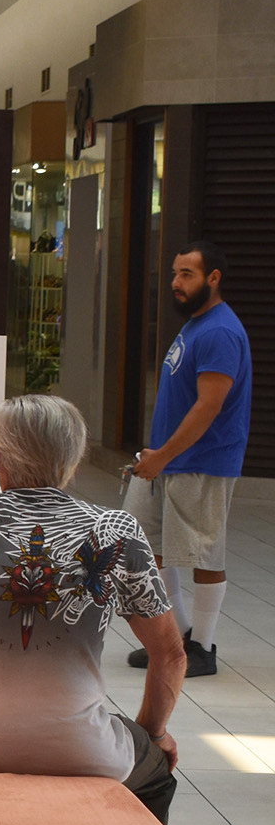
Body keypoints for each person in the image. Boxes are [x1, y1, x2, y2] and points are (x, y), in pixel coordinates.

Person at [0, 395, 185, 821]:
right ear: (72, 462)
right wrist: (152, 734)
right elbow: (170, 654)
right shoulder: (118, 530)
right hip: (86, 751)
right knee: (158, 773)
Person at [124, 239, 252, 679]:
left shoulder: (218, 331)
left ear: (213, 279)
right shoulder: (196, 324)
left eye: (187, 275)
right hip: (168, 460)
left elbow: (208, 407)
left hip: (201, 462)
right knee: (150, 549)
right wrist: (157, 454)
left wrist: (163, 456)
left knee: (204, 555)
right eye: (175, 274)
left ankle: (204, 646)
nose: (176, 283)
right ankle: (176, 640)